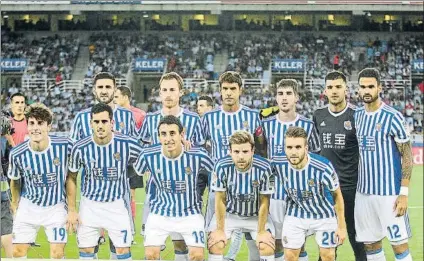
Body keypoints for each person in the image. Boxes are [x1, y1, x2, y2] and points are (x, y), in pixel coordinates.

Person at [70, 72, 138, 255]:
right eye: (100, 87)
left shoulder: (126, 116)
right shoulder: (81, 118)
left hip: (119, 193)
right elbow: (73, 154)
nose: (104, 90)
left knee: (119, 246)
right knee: (90, 244)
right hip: (90, 193)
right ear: (94, 90)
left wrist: (132, 186)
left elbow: (134, 154)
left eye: (108, 87)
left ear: (115, 89)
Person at [138, 72, 205, 260]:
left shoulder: (192, 120)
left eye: (172, 90)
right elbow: (142, 149)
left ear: (180, 92)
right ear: (159, 93)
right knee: (152, 247)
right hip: (155, 191)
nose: (168, 94)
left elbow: (201, 153)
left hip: (186, 194)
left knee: (182, 243)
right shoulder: (150, 119)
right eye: (164, 90)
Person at [134, 115, 214, 261]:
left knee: (197, 255)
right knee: (150, 254)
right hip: (160, 213)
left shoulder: (198, 155)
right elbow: (138, 171)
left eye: (172, 133)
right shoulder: (148, 155)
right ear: (158, 137)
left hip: (190, 213)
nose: (168, 138)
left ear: (182, 134)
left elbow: (216, 171)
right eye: (163, 134)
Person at [258, 79, 320, 260]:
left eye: (288, 94)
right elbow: (261, 157)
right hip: (275, 194)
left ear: (297, 97)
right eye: (280, 94)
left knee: (298, 245)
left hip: (300, 193)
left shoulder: (308, 125)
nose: (284, 98)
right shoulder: (267, 124)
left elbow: (315, 157)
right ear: (276, 97)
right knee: (276, 243)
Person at [355, 68, 413, 261]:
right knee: (371, 246)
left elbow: (406, 155)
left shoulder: (392, 116)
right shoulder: (357, 116)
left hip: (389, 194)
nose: (366, 90)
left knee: (399, 246)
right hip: (363, 194)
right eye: (363, 87)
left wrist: (403, 194)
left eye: (371, 86)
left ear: (379, 87)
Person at [202, 71, 262, 261]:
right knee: (213, 237)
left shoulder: (252, 116)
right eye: (225, 89)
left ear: (240, 91)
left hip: (248, 186)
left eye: (232, 89)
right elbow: (199, 146)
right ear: (220, 91)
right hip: (217, 187)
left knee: (253, 238)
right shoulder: (209, 118)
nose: (228, 93)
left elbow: (260, 149)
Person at [313, 71, 366, 261]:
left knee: (357, 240)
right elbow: (316, 151)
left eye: (338, 87)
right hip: (326, 190)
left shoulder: (357, 115)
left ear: (346, 89)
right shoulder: (318, 115)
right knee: (327, 244)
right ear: (324, 91)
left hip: (351, 188)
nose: (334, 91)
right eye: (330, 87)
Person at [273, 126, 347, 261]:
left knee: (328, 256)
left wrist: (341, 227)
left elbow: (337, 195)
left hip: (323, 214)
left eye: (298, 147)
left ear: (306, 148)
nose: (293, 152)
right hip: (296, 213)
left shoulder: (323, 167)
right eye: (289, 147)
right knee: (289, 256)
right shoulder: (278, 164)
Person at [8, 103, 71, 258]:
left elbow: (76, 170)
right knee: (17, 252)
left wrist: (73, 209)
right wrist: (15, 205)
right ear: (27, 125)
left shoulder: (64, 146)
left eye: (40, 123)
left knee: (57, 253)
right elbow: (15, 181)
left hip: (56, 206)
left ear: (49, 126)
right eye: (32, 123)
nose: (35, 128)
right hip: (28, 206)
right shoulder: (17, 153)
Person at [207, 130, 275, 261]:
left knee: (267, 245)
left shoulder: (265, 167)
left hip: (255, 216)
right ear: (230, 151)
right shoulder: (221, 166)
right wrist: (220, 230)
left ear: (252, 150)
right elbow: (220, 199)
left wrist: (261, 231)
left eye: (245, 151)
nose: (241, 156)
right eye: (236, 152)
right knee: (215, 244)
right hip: (229, 214)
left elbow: (264, 202)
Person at [114, 85, 146, 242]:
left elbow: (143, 139)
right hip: (115, 161)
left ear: (125, 97)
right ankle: (104, 232)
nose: (114, 100)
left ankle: (129, 230)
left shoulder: (139, 114)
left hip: (132, 162)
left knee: (131, 196)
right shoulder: (112, 114)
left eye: (117, 97)